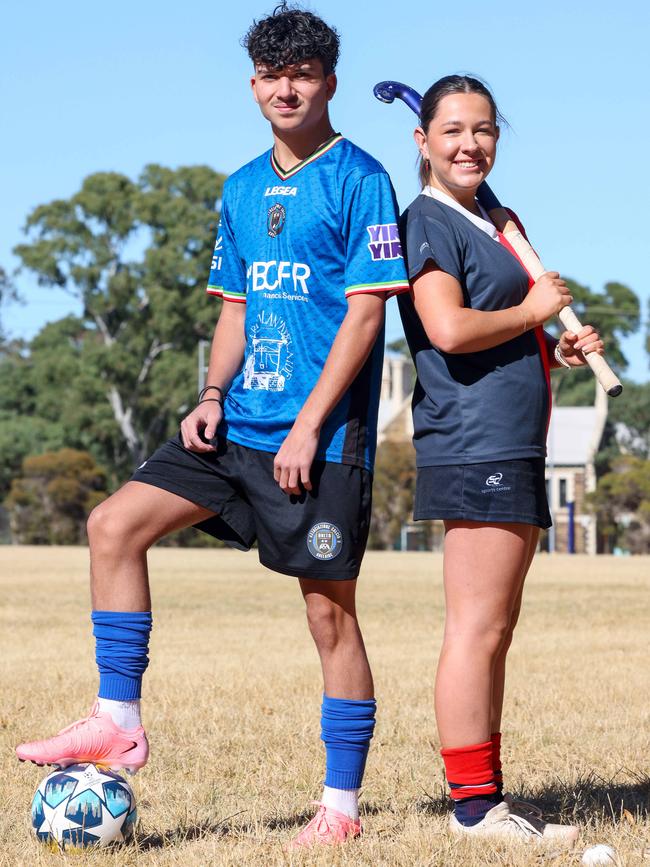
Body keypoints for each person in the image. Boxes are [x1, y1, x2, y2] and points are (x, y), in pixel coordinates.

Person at [16, 4, 408, 848]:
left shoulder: (361, 177)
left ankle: (340, 807)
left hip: (320, 441)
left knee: (329, 616)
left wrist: (307, 427)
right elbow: (235, 308)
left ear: (330, 82)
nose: (286, 87)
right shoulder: (238, 186)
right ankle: (118, 719)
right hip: (233, 429)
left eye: (302, 72)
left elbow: (367, 316)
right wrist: (210, 392)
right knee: (112, 524)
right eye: (272, 74)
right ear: (253, 85)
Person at [398, 75, 604, 842]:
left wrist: (554, 344)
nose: (469, 144)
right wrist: (532, 310)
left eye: (483, 130)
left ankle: (489, 797)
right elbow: (447, 328)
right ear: (422, 142)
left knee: (497, 629)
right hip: (471, 442)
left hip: (514, 440)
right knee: (475, 628)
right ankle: (473, 808)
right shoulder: (427, 220)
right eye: (451, 130)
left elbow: (501, 329)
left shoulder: (492, 218)